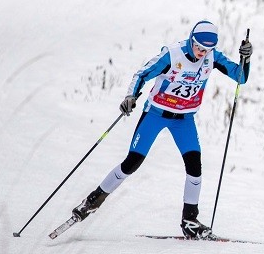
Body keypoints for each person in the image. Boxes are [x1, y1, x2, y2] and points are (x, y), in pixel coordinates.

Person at [70, 21, 253, 239]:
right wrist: (131, 96)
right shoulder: (172, 55)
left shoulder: (212, 58)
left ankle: (190, 221)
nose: (202, 53)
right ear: (191, 40)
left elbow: (240, 77)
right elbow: (142, 74)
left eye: (207, 50)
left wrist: (246, 59)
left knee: (194, 166)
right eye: (199, 47)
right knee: (132, 163)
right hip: (156, 115)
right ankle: (91, 202)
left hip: (184, 119)